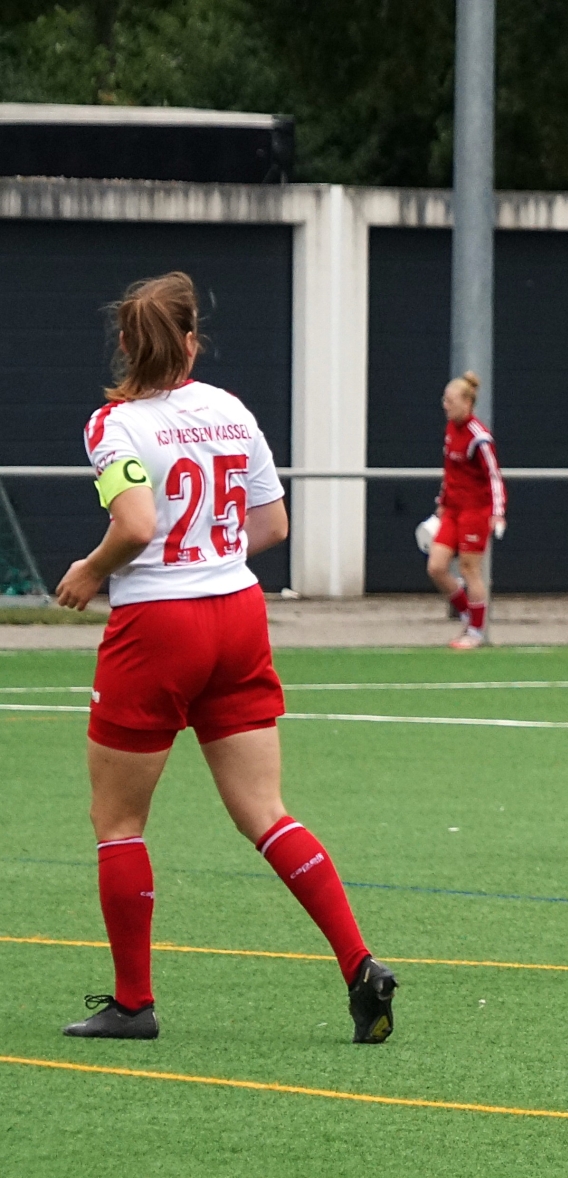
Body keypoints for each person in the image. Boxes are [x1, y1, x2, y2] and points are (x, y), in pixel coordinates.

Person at [53, 271, 396, 1042]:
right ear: (191, 343)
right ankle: (358, 963)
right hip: (238, 614)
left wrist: (90, 570)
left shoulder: (113, 424)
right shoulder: (230, 410)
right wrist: (210, 553)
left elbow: (136, 524)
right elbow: (272, 525)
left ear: (124, 345)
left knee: (118, 820)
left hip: (158, 624)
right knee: (266, 812)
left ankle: (133, 1004)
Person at [427, 369, 506, 650]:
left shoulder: (479, 437)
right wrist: (442, 500)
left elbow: (494, 476)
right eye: (444, 400)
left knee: (469, 569)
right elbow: (450, 471)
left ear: (467, 403)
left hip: (475, 510)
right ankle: (468, 614)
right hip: (452, 509)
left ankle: (476, 631)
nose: (445, 405)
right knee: (436, 567)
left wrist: (498, 511)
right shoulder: (451, 429)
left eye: (450, 401)